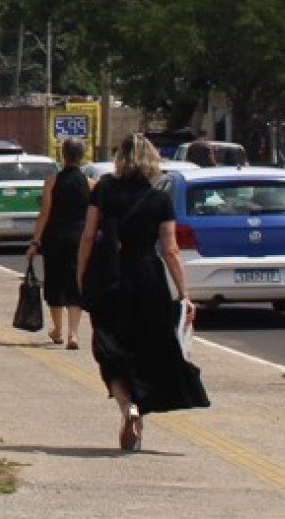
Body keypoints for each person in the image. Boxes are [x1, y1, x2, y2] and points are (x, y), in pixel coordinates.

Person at [77, 132, 209, 451]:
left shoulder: (104, 189)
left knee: (110, 348)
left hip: (110, 278)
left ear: (120, 158)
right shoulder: (159, 199)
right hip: (147, 279)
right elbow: (171, 249)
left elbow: (88, 235)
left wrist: (82, 276)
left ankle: (127, 407)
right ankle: (139, 409)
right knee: (145, 347)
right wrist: (184, 293)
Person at [27, 137, 92, 350]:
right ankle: (74, 334)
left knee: (55, 281)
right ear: (82, 156)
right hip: (80, 238)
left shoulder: (52, 182)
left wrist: (35, 241)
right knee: (76, 281)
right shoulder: (91, 184)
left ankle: (58, 330)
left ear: (63, 155)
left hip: (55, 236)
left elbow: (45, 213)